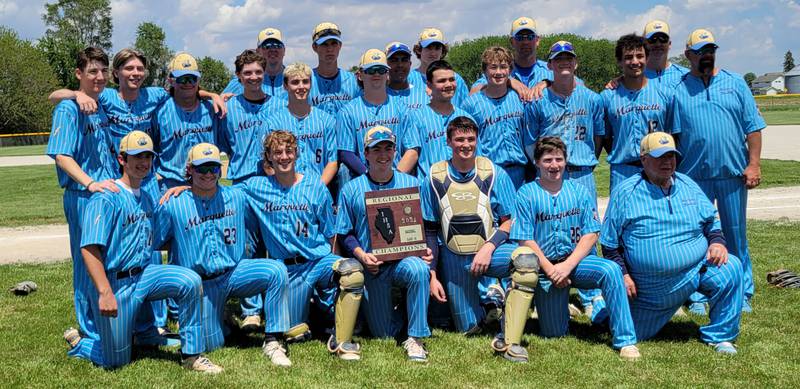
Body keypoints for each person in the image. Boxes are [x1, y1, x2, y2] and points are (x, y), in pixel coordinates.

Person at [63, 131, 222, 373]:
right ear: (121, 159)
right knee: (116, 360)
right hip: (117, 283)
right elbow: (88, 248)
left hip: (145, 275)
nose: (143, 162)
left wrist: (186, 191)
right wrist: (105, 292)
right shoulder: (106, 197)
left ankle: (192, 355)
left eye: (147, 156)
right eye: (136, 156)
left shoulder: (148, 196)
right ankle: (80, 341)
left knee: (189, 281)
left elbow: (161, 239)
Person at [601, 132, 744, 355]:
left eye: (671, 156)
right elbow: (609, 244)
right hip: (651, 289)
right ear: (644, 159)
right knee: (631, 332)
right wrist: (624, 274)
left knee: (731, 266)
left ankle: (721, 337)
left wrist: (717, 242)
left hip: (695, 270)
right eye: (660, 156)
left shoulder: (687, 183)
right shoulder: (626, 192)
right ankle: (607, 311)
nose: (667, 162)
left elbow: (711, 221)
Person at [152, 143, 292, 366]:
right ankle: (223, 319)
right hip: (201, 285)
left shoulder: (238, 195)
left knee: (275, 271)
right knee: (212, 343)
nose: (208, 174)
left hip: (235, 274)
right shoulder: (173, 205)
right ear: (189, 169)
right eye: (201, 169)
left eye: (213, 168)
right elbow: (156, 243)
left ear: (221, 170)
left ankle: (273, 340)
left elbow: (276, 185)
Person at [509, 136, 640, 361]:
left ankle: (626, 340)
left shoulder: (579, 191)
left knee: (610, 270)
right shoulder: (526, 193)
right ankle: (562, 310)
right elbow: (525, 239)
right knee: (554, 333)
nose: (554, 165)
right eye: (548, 160)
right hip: (544, 267)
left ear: (566, 161)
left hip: (576, 262)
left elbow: (591, 233)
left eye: (559, 159)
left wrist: (568, 266)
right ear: (537, 162)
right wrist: (552, 270)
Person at [239, 130, 363, 360]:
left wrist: (334, 266)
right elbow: (219, 192)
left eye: (289, 151)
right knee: (293, 331)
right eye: (277, 152)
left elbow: (329, 234)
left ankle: (343, 342)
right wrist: (187, 188)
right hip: (288, 271)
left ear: (297, 154)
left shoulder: (315, 187)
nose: (284, 157)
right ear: (268, 157)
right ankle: (318, 313)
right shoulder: (255, 187)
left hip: (317, 260)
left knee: (352, 272)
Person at [672, 29, 765, 314]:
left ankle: (741, 290)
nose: (707, 55)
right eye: (700, 51)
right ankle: (699, 292)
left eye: (710, 49)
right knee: (697, 237)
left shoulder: (735, 83)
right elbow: (674, 137)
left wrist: (754, 164)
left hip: (732, 174)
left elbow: (753, 127)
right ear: (688, 55)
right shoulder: (679, 88)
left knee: (735, 235)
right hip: (693, 177)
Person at [336, 126, 433, 362]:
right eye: (375, 149)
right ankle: (401, 316)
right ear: (365, 154)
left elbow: (427, 227)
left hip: (403, 261)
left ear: (395, 151)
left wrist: (426, 250)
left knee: (419, 269)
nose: (383, 154)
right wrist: (361, 256)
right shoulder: (351, 189)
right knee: (384, 334)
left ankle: (416, 338)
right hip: (373, 266)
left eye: (388, 148)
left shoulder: (412, 183)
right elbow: (345, 234)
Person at [419, 116, 518, 341]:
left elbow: (509, 221)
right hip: (454, 257)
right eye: (459, 139)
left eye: (471, 139)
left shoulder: (493, 173)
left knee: (525, 262)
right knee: (468, 328)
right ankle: (489, 305)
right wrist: (433, 276)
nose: (466, 145)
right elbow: (431, 230)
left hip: (489, 252)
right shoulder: (434, 177)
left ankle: (511, 325)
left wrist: (488, 248)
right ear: (448, 142)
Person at [48, 47, 119, 346]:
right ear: (79, 74)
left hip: (106, 192)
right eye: (92, 71)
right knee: (86, 263)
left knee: (105, 262)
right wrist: (90, 184)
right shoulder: (69, 108)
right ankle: (88, 331)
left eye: (103, 70)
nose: (99, 77)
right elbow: (62, 155)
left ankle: (103, 323)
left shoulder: (101, 103)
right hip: (84, 195)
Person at [601, 34, 676, 191]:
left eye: (640, 56)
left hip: (657, 167)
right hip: (622, 170)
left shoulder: (665, 94)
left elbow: (673, 134)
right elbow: (606, 138)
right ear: (620, 61)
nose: (635, 62)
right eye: (628, 57)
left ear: (647, 58)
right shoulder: (607, 96)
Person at [336, 48, 418, 188]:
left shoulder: (402, 108)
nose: (376, 74)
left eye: (381, 70)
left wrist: (393, 178)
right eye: (371, 70)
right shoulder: (347, 111)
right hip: (362, 182)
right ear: (360, 75)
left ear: (387, 74)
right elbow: (346, 152)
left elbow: (412, 149)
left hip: (397, 183)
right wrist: (372, 178)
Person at [462, 46, 528, 188]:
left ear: (510, 70)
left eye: (503, 67)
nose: (498, 72)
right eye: (493, 67)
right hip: (488, 174)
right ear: (485, 71)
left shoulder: (520, 97)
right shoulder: (471, 104)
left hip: (520, 173)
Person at [152, 52, 218, 191]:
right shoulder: (160, 112)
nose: (188, 83)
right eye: (182, 79)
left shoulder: (212, 109)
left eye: (192, 78)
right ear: (171, 80)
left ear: (198, 80)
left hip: (207, 183)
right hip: (170, 186)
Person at [217, 49, 284, 186]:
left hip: (274, 182)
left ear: (264, 73)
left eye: (258, 72)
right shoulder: (228, 109)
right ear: (238, 75)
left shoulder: (281, 107)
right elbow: (222, 147)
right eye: (247, 73)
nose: (254, 77)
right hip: (240, 183)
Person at [264, 62, 338, 185]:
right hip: (285, 191)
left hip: (318, 188)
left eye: (305, 81)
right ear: (285, 86)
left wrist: (317, 188)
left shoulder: (326, 120)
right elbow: (267, 164)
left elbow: (333, 162)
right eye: (295, 82)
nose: (301, 86)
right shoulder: (272, 122)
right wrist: (286, 186)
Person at [409, 60, 473, 180]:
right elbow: (411, 154)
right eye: (441, 81)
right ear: (429, 85)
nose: (448, 85)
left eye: (451, 79)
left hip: (463, 188)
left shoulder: (466, 118)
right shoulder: (416, 117)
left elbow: (475, 156)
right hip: (430, 189)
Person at [470, 17, 550, 96]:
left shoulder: (550, 69)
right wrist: (508, 81)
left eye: (530, 37)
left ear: (537, 40)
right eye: (520, 38)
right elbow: (473, 91)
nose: (525, 42)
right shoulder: (502, 70)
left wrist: (547, 83)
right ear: (512, 42)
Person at [604, 21, 689, 91]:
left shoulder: (685, 75)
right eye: (652, 40)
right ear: (644, 45)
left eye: (663, 39)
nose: (658, 44)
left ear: (669, 44)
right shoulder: (633, 75)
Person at [408, 28, 469, 107]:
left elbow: (466, 109)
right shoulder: (409, 79)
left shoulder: (456, 80)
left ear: (442, 51)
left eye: (437, 48)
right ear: (419, 50)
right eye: (428, 48)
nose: (433, 53)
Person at [308, 22, 360, 116]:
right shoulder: (306, 81)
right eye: (324, 44)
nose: (330, 49)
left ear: (340, 46)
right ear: (315, 47)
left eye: (334, 43)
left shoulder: (353, 81)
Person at [222, 27, 287, 99]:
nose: (272, 49)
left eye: (277, 46)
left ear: (284, 50)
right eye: (267, 46)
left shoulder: (295, 79)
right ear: (258, 51)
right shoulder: (241, 80)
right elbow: (219, 102)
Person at [385, 42, 429, 110]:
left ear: (410, 64)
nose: (400, 65)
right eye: (394, 60)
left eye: (404, 60)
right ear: (386, 65)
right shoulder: (378, 95)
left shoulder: (424, 96)